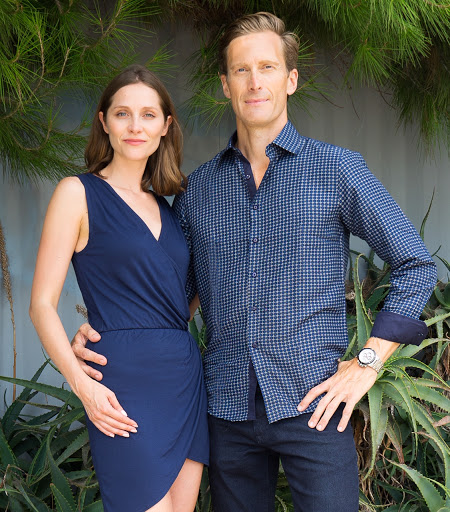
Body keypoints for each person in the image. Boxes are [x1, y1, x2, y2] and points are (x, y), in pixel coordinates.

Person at [70, 13, 437, 512]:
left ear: (291, 80)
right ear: (226, 85)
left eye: (267, 67)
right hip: (227, 411)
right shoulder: (199, 189)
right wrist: (107, 330)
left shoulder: (336, 169)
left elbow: (416, 264)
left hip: (315, 403)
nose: (254, 81)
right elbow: (176, 295)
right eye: (241, 70)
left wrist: (368, 363)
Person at [29, 65, 209, 512]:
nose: (135, 126)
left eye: (148, 115)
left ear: (165, 126)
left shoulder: (170, 208)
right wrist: (82, 386)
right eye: (122, 113)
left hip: (183, 379)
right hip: (121, 383)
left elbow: (176, 303)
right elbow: (41, 305)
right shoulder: (77, 193)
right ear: (103, 122)